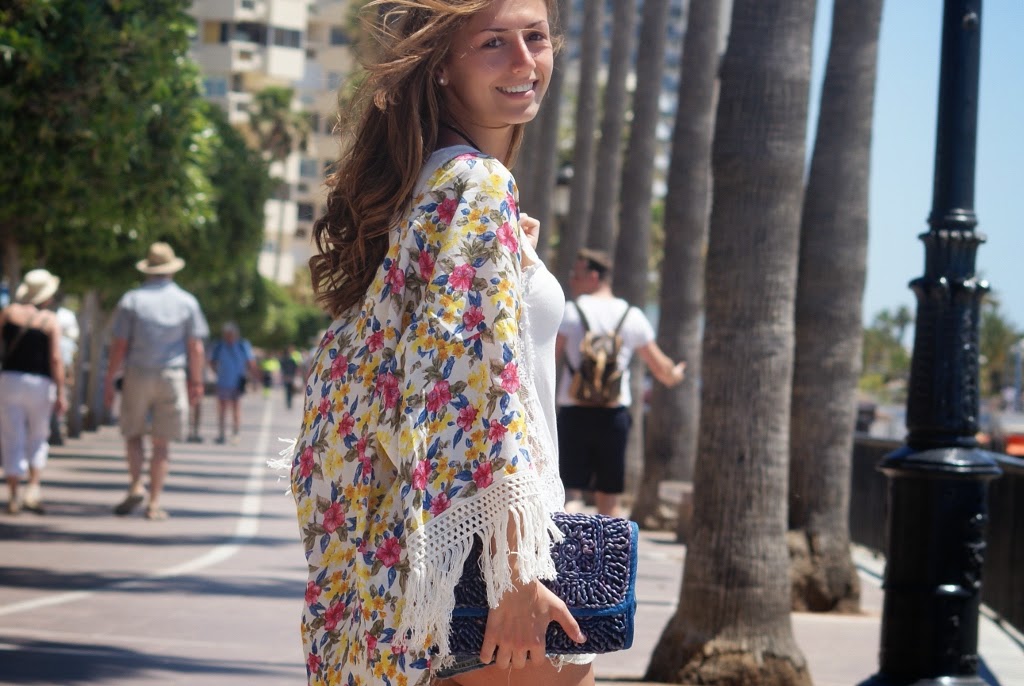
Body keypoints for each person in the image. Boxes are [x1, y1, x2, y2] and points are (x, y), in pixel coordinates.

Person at [289, 2, 593, 684]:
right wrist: (516, 576)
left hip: (417, 568)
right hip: (488, 573)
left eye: (536, 37)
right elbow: (474, 394)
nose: (525, 61)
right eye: (494, 43)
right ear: (442, 67)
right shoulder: (475, 186)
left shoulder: (425, 184)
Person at [555, 249, 686, 518]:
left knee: (568, 494)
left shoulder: (570, 312)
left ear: (593, 276)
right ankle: (609, 545)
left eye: (576, 274)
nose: (571, 280)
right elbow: (661, 369)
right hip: (613, 417)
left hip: (574, 414)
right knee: (609, 499)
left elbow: (550, 359)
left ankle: (568, 541)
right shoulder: (631, 315)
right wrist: (676, 374)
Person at [103, 242, 209, 520]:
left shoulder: (132, 300)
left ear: (148, 269)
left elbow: (120, 344)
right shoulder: (187, 302)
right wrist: (197, 382)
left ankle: (136, 484)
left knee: (133, 433)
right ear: (172, 269)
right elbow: (195, 347)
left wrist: (110, 377)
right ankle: (154, 503)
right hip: (172, 375)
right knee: (162, 444)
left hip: (137, 372)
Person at [0, 269, 66, 515]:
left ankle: (13, 494)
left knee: (11, 436)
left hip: (10, 380)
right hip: (40, 383)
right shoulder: (49, 320)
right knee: (38, 436)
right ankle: (33, 487)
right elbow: (56, 359)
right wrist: (61, 392)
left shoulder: (9, 313)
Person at [209, 322, 256, 444]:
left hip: (237, 382)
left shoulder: (242, 345)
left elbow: (251, 362)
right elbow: (212, 361)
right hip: (223, 382)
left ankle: (236, 433)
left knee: (236, 407)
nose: (228, 337)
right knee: (222, 409)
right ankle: (221, 434)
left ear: (235, 334)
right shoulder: (219, 346)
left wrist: (250, 378)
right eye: (226, 334)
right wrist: (217, 373)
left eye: (231, 334)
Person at [278, 344, 305, 410]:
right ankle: (289, 403)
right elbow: (295, 368)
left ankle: (289, 403)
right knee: (289, 390)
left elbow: (295, 367)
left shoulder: (286, 360)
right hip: (289, 376)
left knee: (289, 390)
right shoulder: (289, 360)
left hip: (289, 376)